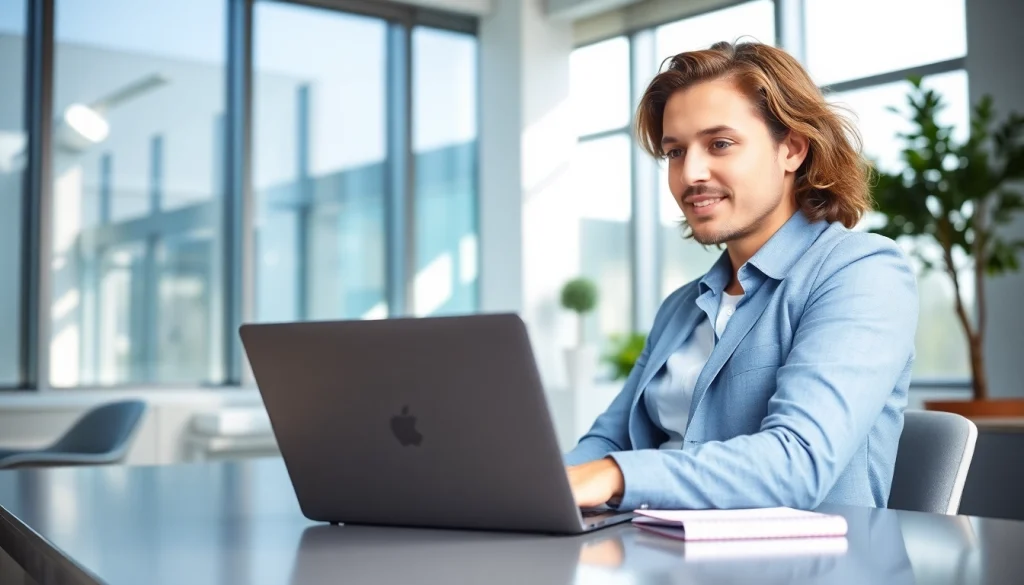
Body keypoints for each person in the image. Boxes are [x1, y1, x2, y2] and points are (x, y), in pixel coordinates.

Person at [564, 41, 919, 512]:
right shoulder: (682, 306)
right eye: (675, 152)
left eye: (720, 144)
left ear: (791, 149)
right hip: (654, 544)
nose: (691, 173)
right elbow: (611, 439)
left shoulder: (861, 273)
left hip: (811, 553)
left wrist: (615, 475)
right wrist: (534, 485)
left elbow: (798, 463)